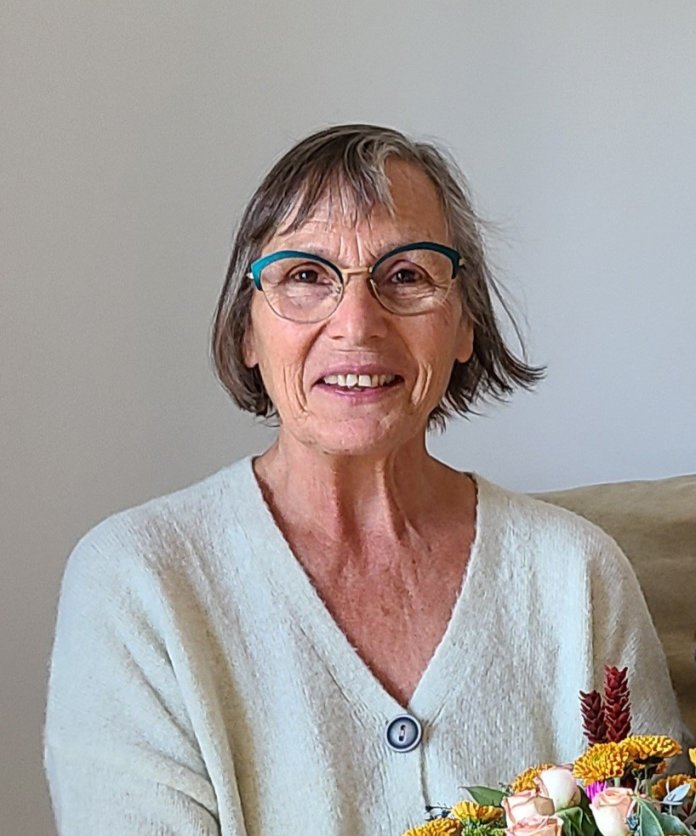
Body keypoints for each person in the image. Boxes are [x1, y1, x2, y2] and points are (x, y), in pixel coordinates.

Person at [44, 124, 688, 835]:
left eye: (406, 275)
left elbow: (658, 813)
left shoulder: (577, 573)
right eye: (305, 276)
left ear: (465, 325)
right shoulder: (138, 581)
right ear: (246, 331)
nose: (357, 324)